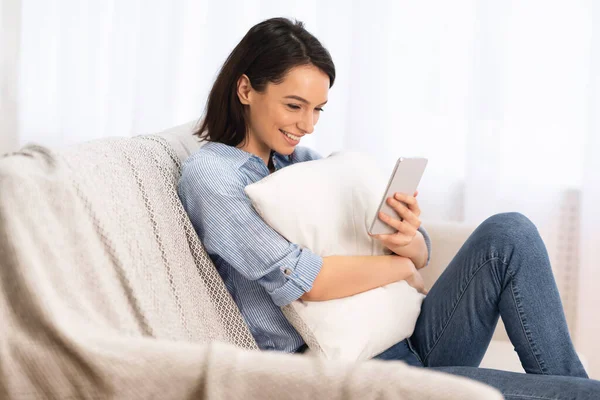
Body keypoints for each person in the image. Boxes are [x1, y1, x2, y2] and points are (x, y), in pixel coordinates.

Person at [177, 17, 600, 399]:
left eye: (317, 109)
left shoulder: (300, 163)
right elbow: (305, 280)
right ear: (246, 88)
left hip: (401, 333)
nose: (308, 124)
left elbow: (420, 253)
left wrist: (409, 240)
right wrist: (403, 269)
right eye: (294, 105)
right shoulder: (214, 177)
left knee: (509, 233)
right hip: (351, 367)